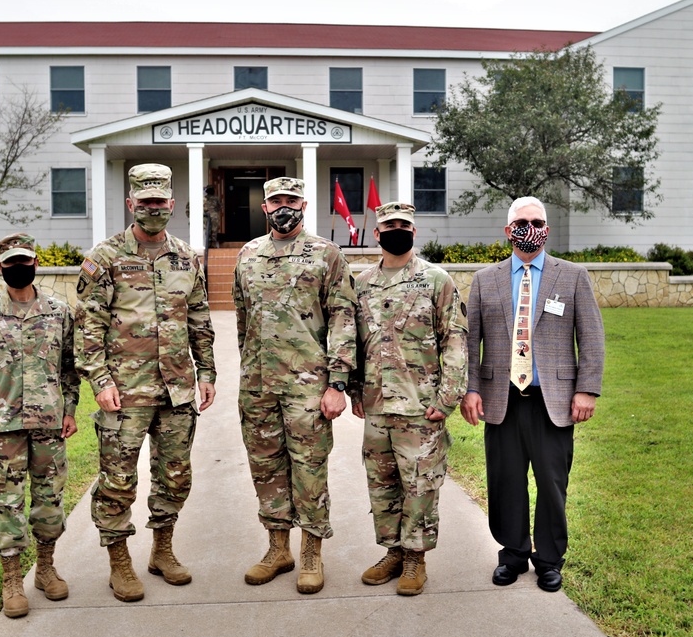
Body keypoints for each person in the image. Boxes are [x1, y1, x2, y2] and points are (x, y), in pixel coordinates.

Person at [75, 163, 216, 602]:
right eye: (145, 202)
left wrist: (207, 372)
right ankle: (119, 563)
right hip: (124, 392)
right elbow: (88, 326)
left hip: (176, 390)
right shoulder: (105, 258)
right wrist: (99, 380)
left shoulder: (187, 258)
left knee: (175, 477)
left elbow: (199, 318)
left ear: (172, 204)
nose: (153, 209)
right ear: (130, 203)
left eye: (160, 202)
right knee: (117, 481)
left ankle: (162, 550)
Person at [460, 196, 605, 593]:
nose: (530, 228)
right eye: (522, 222)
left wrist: (587, 390)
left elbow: (590, 337)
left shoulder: (572, 276)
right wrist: (470, 388)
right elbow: (471, 342)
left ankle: (548, 560)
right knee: (506, 481)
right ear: (508, 231)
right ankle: (512, 553)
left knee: (552, 482)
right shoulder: (485, 279)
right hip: (500, 398)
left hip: (553, 401)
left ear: (547, 228)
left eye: (537, 221)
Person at [232, 176, 356, 594]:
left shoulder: (326, 253)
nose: (283, 206)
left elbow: (342, 317)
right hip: (258, 383)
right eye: (276, 200)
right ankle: (278, 548)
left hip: (308, 384)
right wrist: (247, 369)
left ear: (304, 204)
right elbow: (242, 319)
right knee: (265, 467)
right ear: (265, 207)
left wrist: (338, 382)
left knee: (308, 469)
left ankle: (311, 551)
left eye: (291, 199)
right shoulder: (248, 254)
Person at [348, 202, 467, 596]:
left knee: (420, 484)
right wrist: (354, 390)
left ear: (414, 232)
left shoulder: (436, 280)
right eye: (388, 225)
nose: (396, 230)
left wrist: (448, 397)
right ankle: (394, 551)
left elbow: (454, 339)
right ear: (376, 233)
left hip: (420, 405)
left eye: (404, 224)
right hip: (377, 404)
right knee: (381, 483)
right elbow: (353, 342)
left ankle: (416, 558)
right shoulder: (361, 282)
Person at [0, 232, 80, 619]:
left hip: (48, 424)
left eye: (24, 261)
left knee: (50, 501)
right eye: (10, 262)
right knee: (6, 502)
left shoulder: (60, 312)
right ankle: (12, 578)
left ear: (36, 263)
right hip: (2, 427)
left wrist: (70, 410)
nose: (18, 268)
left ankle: (45, 569)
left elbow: (70, 370)